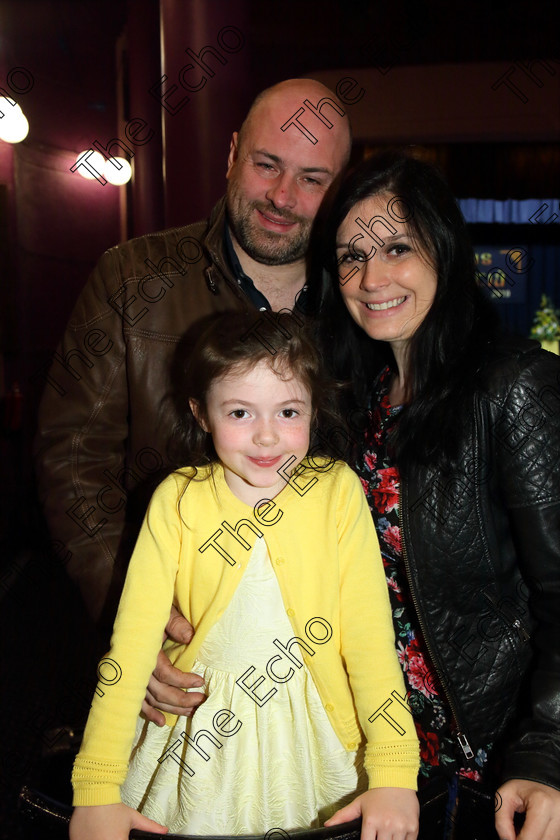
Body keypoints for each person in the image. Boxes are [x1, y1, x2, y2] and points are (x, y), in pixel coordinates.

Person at [33, 78, 352, 721]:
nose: (284, 198)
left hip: (327, 662)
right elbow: (72, 457)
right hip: (180, 651)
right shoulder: (131, 278)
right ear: (233, 153)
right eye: (268, 165)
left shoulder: (363, 302)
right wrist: (131, 612)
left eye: (313, 179)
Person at [68, 311, 420, 840]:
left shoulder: (338, 492)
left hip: (314, 738)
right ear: (201, 414)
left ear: (313, 410)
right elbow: (132, 646)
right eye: (238, 412)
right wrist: (95, 788)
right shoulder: (177, 499)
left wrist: (394, 773)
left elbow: (371, 641)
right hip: (196, 736)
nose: (266, 437)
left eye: (287, 411)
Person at [315, 150, 560, 839]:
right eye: (351, 256)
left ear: (445, 254)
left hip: (484, 761)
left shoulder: (514, 385)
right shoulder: (351, 399)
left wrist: (547, 754)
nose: (372, 277)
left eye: (397, 248)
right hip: (375, 752)